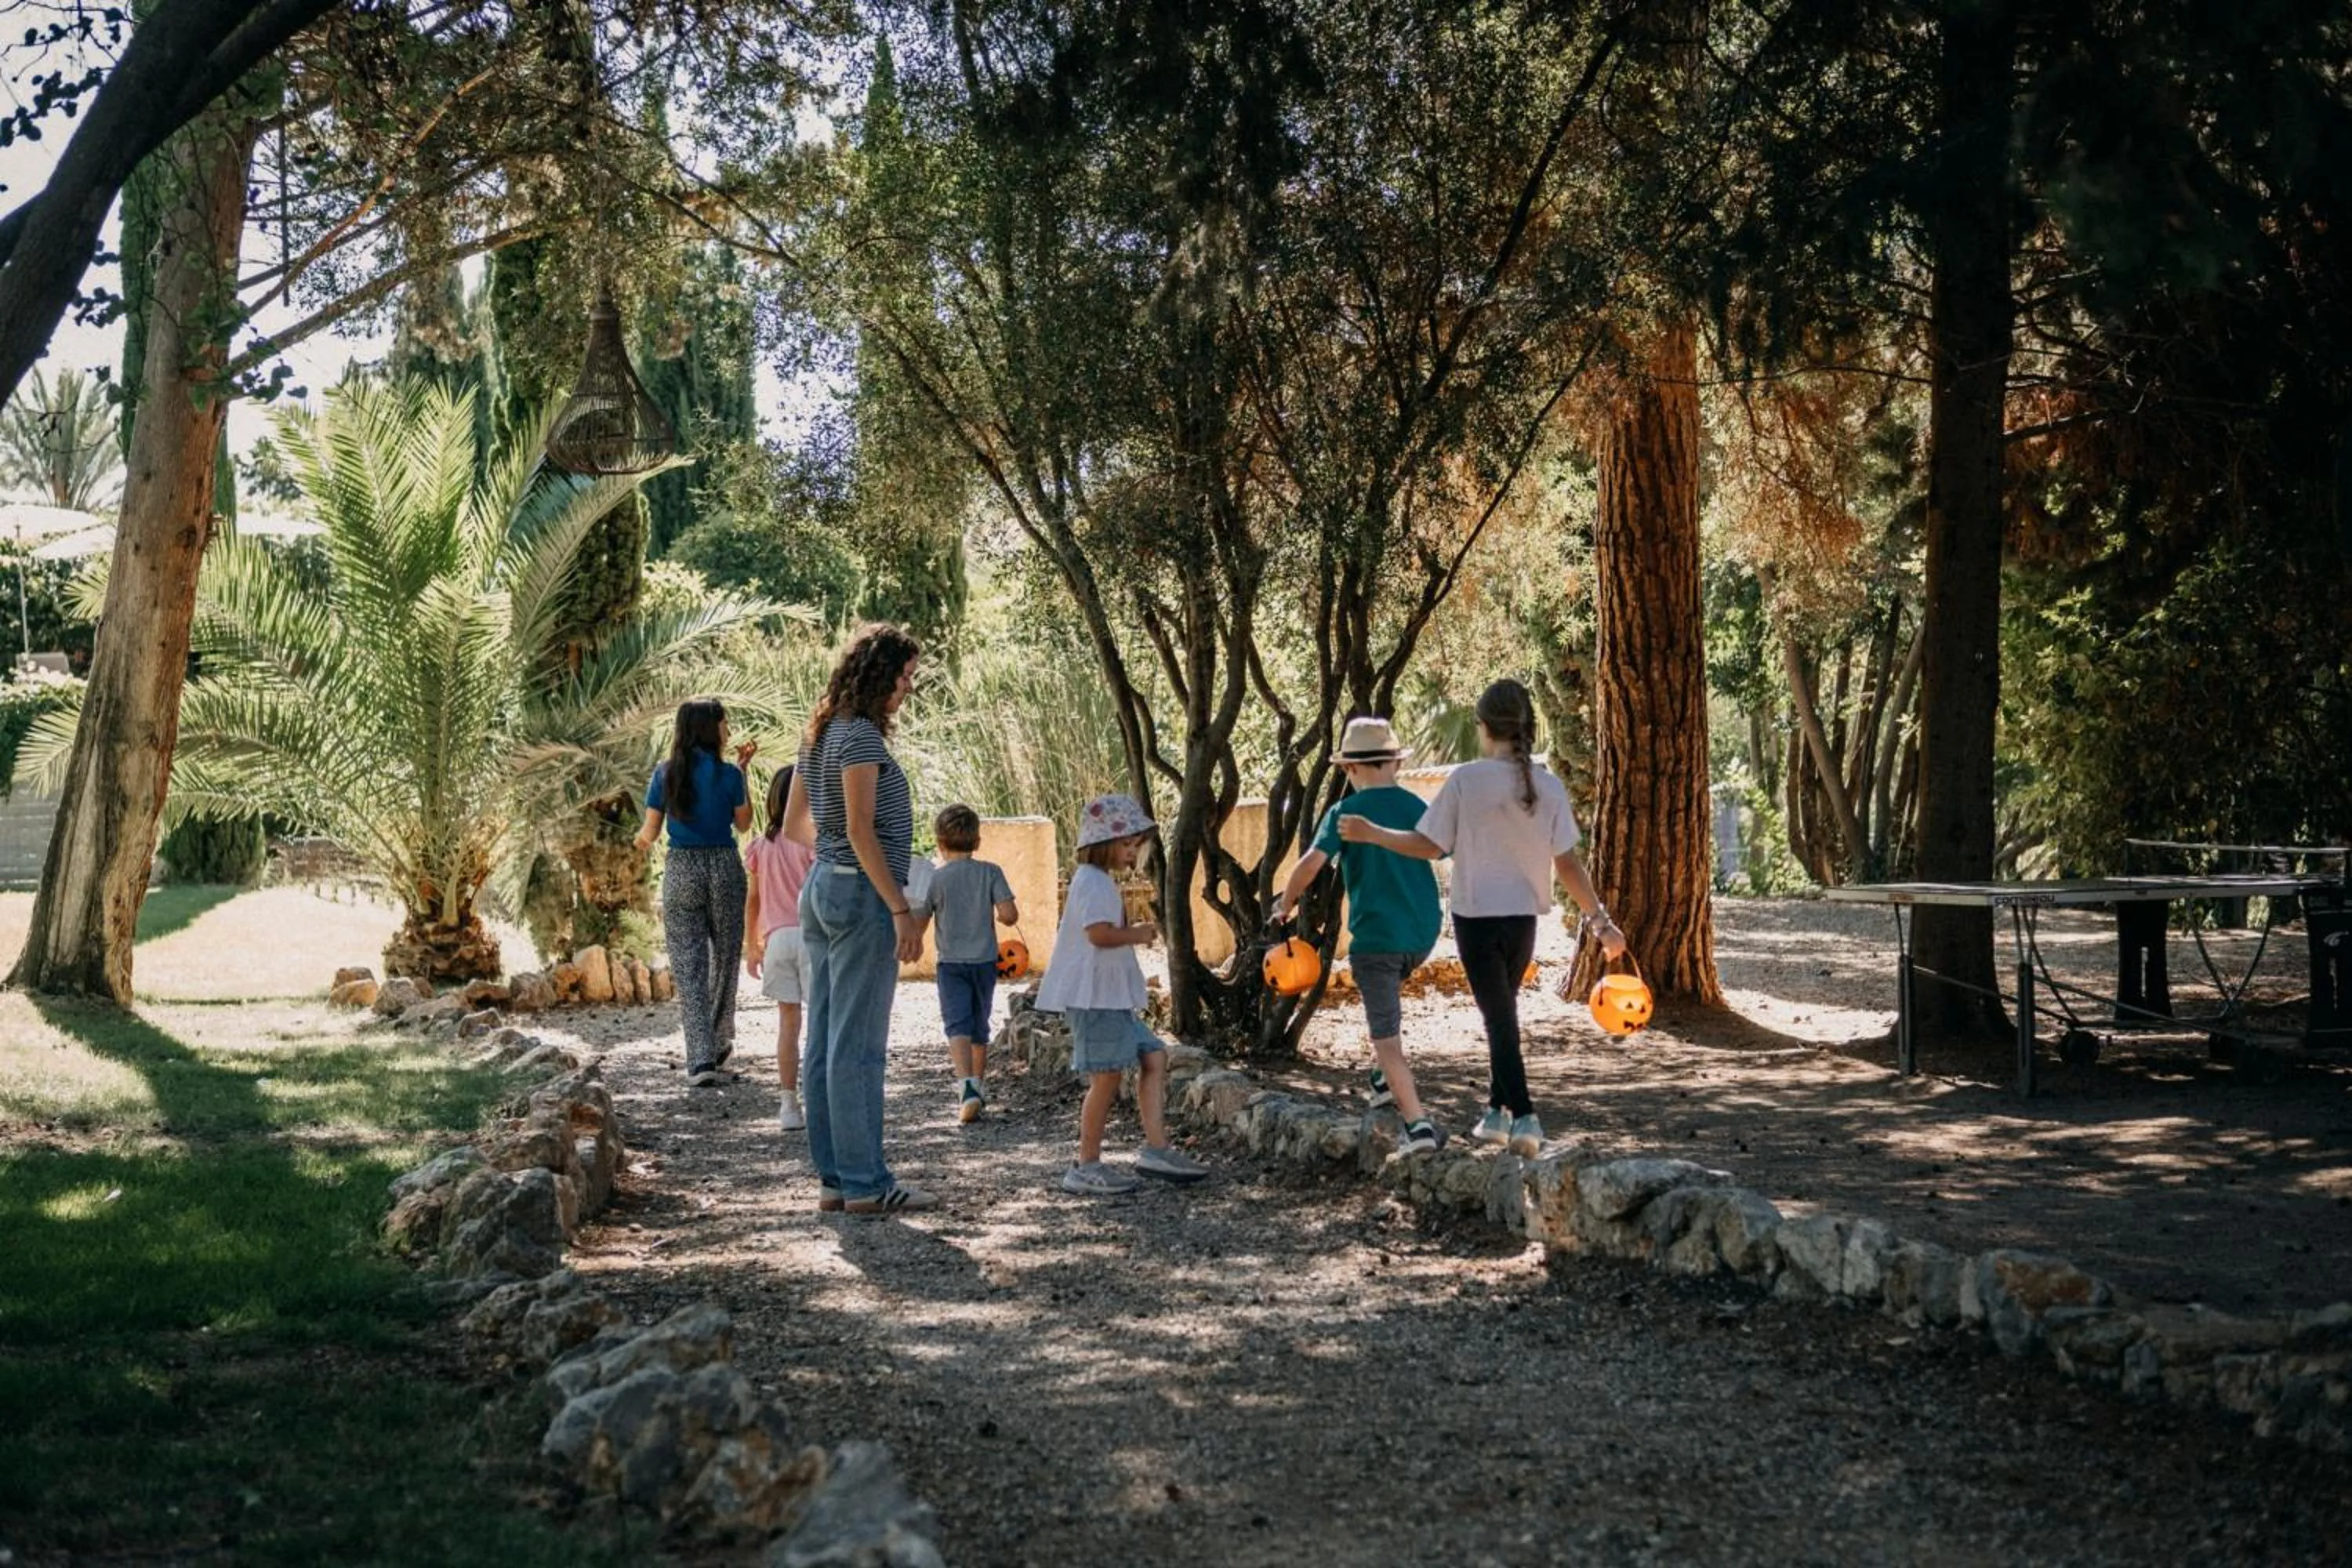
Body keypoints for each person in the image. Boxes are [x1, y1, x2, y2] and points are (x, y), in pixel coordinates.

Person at [1339, 679, 1625, 1156]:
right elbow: (1569, 864)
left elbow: (1430, 846)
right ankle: (1495, 1113)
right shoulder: (1548, 786)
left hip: (1476, 919)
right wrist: (1599, 921)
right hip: (1522, 923)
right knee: (1502, 1015)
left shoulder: (1467, 781)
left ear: (1482, 727)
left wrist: (1373, 834)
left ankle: (1526, 1117)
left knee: (1500, 1018)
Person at [782, 624, 937, 1216]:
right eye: (902, 677)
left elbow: (797, 828)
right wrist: (899, 907)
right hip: (860, 898)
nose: (906, 689)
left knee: (824, 1041)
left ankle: (836, 1179)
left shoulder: (819, 735)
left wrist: (840, 863)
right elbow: (858, 828)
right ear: (878, 675)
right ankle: (867, 1181)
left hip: (820, 889)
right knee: (859, 1047)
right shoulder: (863, 740)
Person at [1272, 715, 1446, 1155]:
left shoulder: (1345, 812)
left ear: (1349, 769)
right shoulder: (1412, 805)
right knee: (1384, 1008)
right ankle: (1381, 1080)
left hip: (1376, 940)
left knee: (1385, 1037)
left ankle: (1418, 1126)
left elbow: (1312, 863)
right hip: (1422, 933)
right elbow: (1437, 847)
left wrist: (1287, 902)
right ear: (1394, 763)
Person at [1036, 793, 1210, 1196]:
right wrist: (1138, 934)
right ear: (1102, 844)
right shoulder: (1092, 883)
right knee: (1106, 1079)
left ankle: (1156, 1148)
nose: (1133, 852)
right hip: (1094, 1000)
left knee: (1154, 1056)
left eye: (1135, 844)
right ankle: (1085, 1165)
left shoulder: (1097, 882)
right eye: (1126, 844)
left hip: (1109, 999)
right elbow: (1097, 935)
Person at [634, 697, 755, 1088]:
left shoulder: (666, 774)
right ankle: (719, 1041)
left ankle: (700, 1057)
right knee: (724, 957)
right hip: (723, 865)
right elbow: (744, 824)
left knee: (687, 965)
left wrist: (635, 843)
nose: (729, 729)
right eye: (724, 722)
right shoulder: (730, 776)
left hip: (682, 868)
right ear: (710, 728)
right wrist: (743, 774)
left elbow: (649, 833)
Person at [925, 803, 1019, 1124]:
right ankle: (978, 1086)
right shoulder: (990, 872)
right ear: (977, 842)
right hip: (984, 962)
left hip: (950, 963)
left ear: (939, 843)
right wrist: (998, 913)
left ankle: (967, 1087)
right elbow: (1009, 915)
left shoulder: (936, 879)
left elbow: (921, 917)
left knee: (956, 1025)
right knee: (980, 1025)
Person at [744, 764, 816, 1132]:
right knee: (821, 1020)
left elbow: (753, 901)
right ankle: (820, 1097)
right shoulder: (812, 842)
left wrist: (751, 946)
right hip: (811, 937)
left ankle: (789, 1104)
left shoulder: (760, 846)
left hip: (776, 941)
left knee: (788, 1024)